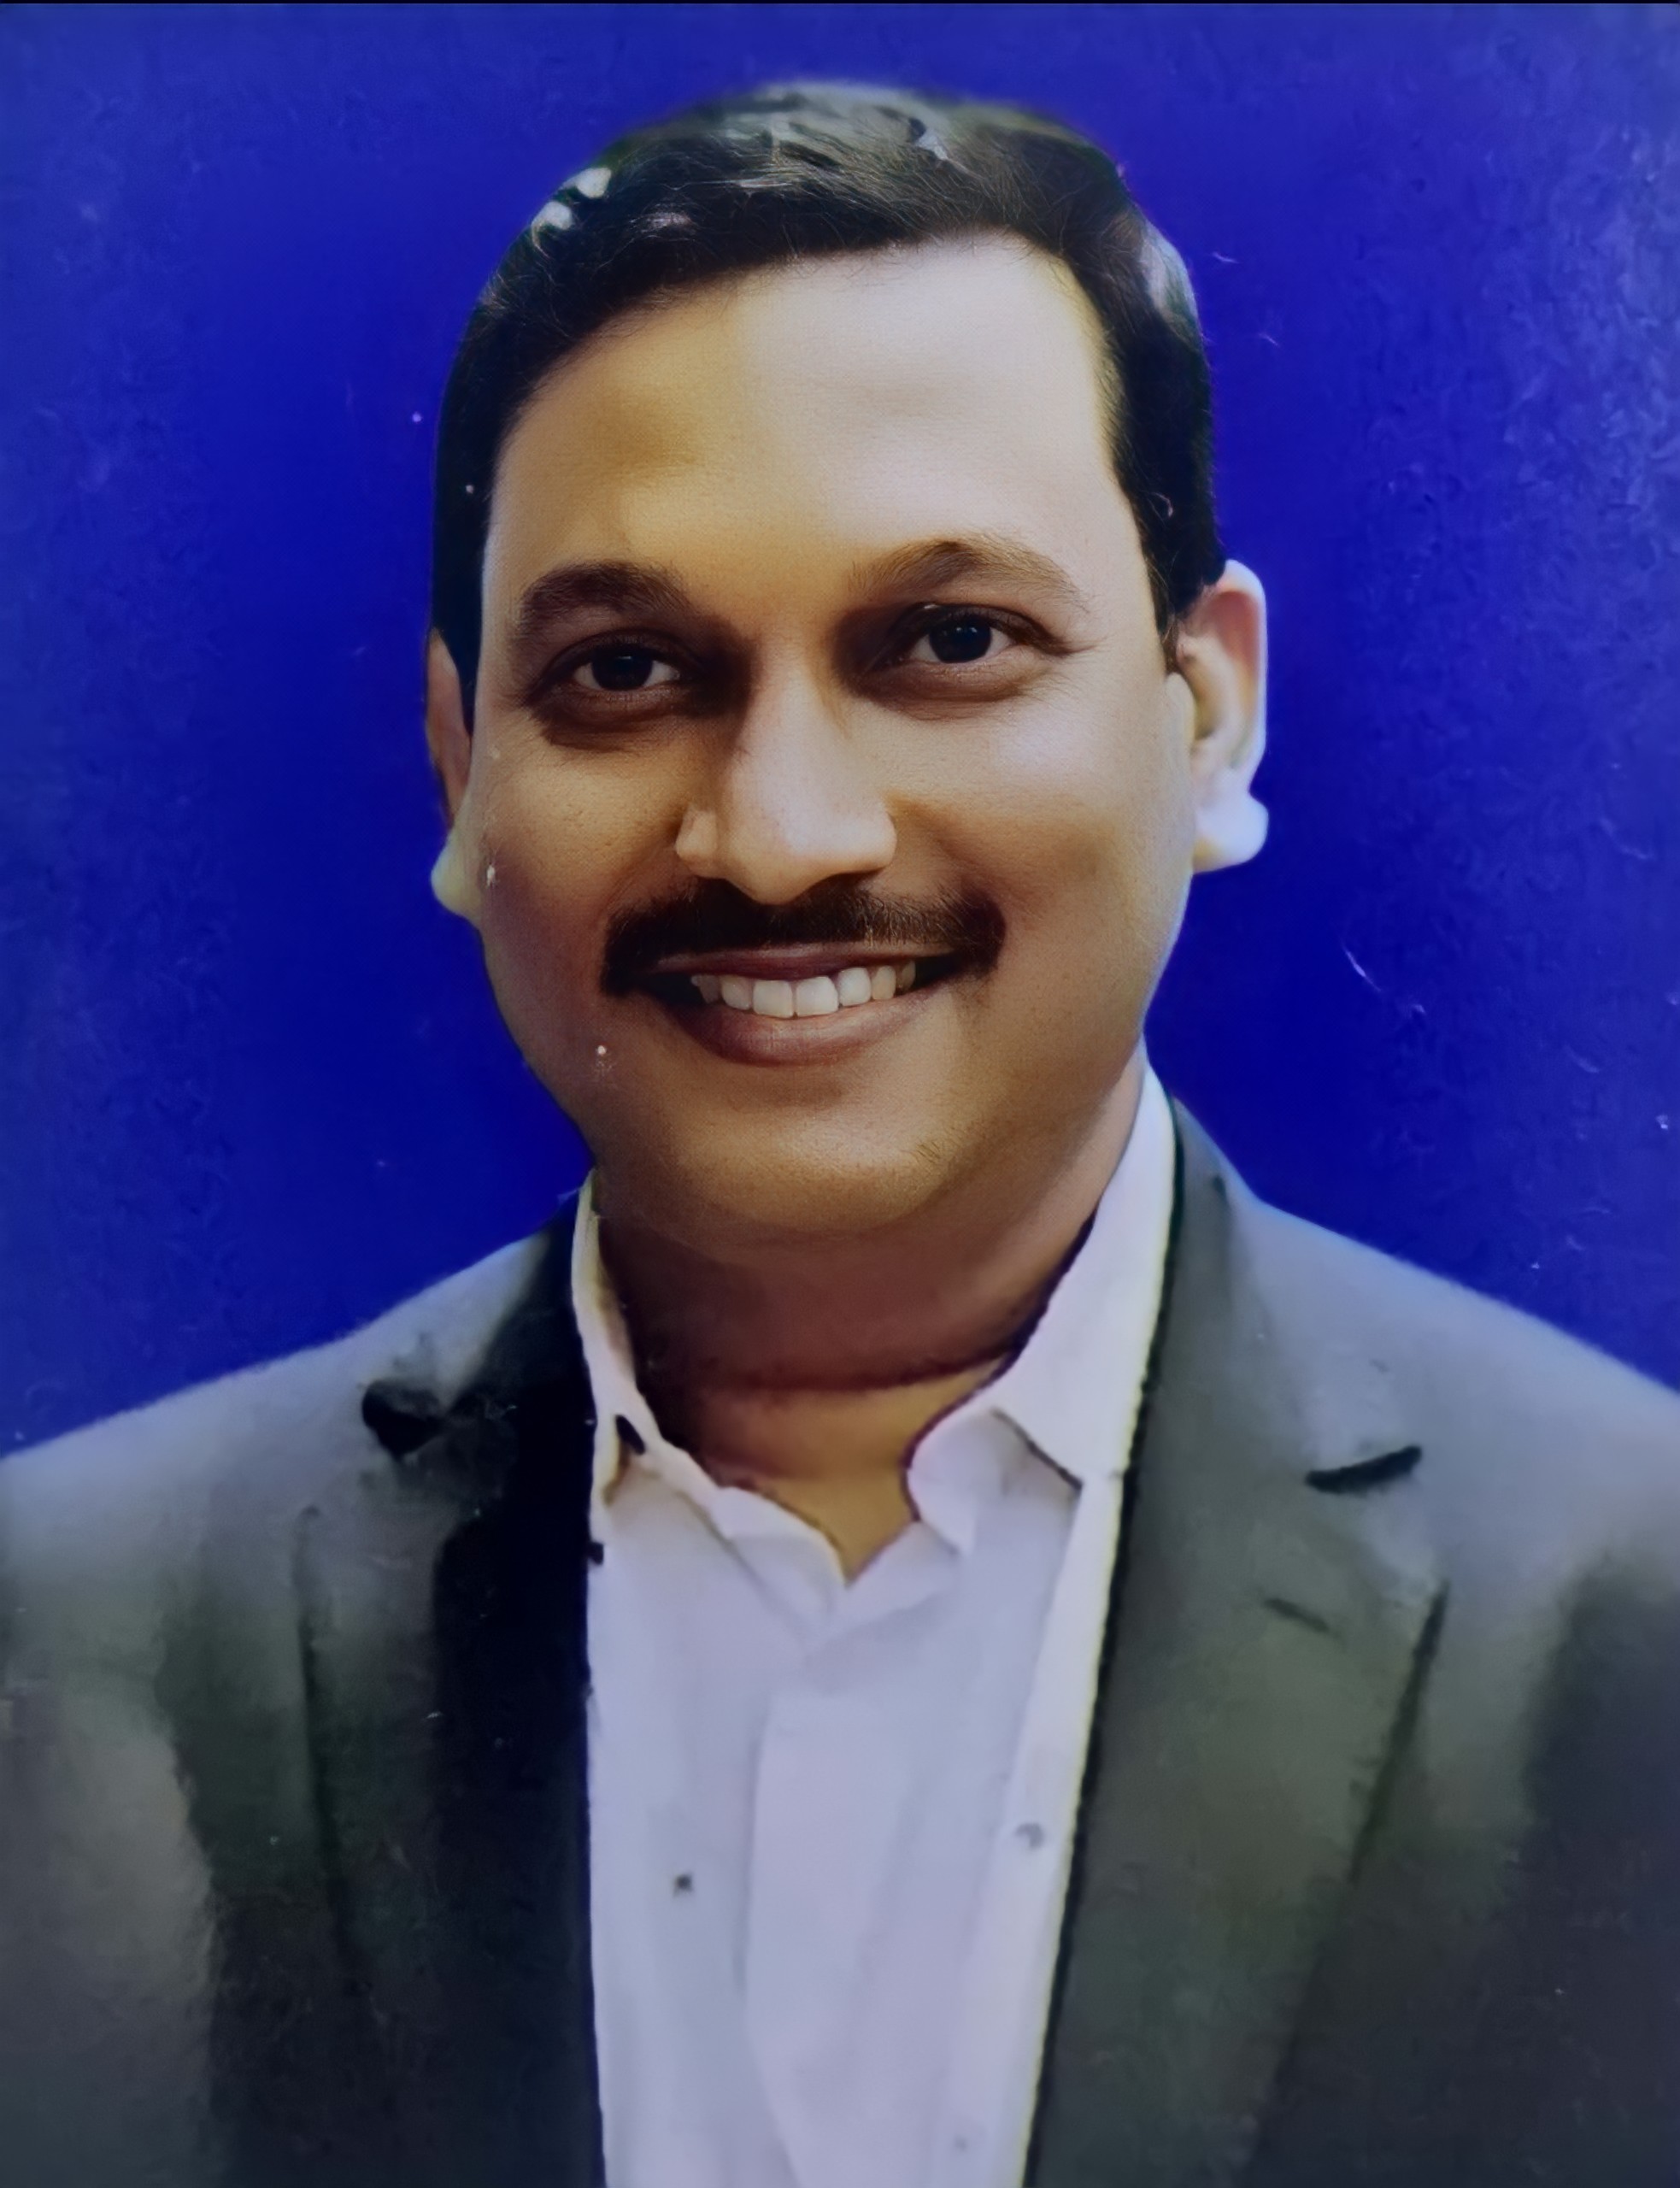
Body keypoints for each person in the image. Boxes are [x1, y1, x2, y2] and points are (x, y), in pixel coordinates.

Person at [2, 80, 1677, 2188]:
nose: (781, 833)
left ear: (1207, 712)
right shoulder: (67, 1646)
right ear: (458, 763)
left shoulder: (1629, 1623)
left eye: (950, 643)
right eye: (626, 670)